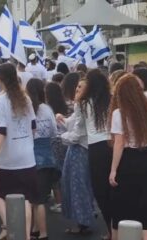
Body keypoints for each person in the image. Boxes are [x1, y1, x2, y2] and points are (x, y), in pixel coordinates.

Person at [0, 63, 37, 240]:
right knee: (26, 199)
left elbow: (0, 131)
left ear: (0, 78)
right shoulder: (26, 98)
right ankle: (24, 235)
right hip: (27, 157)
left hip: (7, 158)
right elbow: (33, 126)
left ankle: (9, 225)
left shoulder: (0, 101)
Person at [108, 73, 147, 240]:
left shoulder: (119, 114)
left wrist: (113, 170)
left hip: (128, 161)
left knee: (121, 208)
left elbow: (119, 143)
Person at [79, 69, 112, 240]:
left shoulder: (85, 103)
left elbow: (80, 128)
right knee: (115, 190)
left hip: (96, 149)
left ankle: (111, 231)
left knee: (101, 192)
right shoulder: (113, 100)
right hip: (112, 145)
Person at [59, 79, 95, 235]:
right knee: (80, 185)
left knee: (77, 186)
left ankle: (82, 222)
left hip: (79, 149)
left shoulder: (84, 105)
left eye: (81, 87)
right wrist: (62, 120)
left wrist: (61, 137)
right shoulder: (82, 104)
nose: (77, 89)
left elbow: (78, 133)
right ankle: (84, 217)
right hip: (79, 148)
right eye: (77, 86)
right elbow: (73, 123)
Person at [26, 78, 57, 240]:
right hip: (46, 155)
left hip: (29, 155)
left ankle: (41, 232)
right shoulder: (46, 108)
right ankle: (38, 230)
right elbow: (54, 131)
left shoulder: (25, 108)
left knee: (33, 199)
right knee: (41, 198)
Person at [45, 82, 69, 213]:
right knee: (64, 171)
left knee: (55, 173)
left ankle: (59, 201)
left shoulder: (47, 108)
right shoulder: (66, 105)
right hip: (66, 140)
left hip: (54, 141)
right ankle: (66, 200)